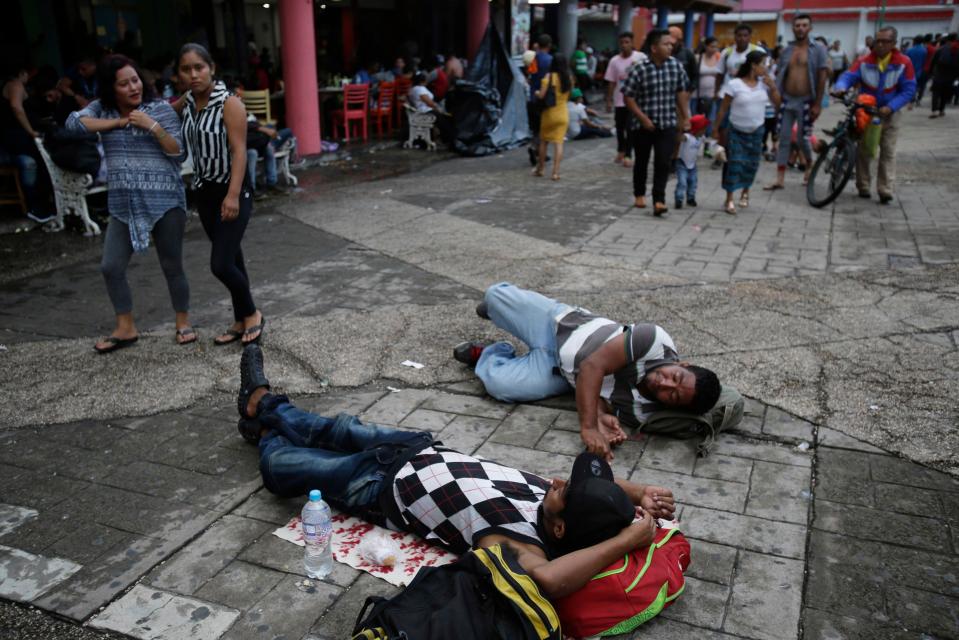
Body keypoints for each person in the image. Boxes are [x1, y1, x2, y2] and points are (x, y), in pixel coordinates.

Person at [236, 343, 675, 595]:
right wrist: (636, 495)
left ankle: (265, 426)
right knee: (338, 427)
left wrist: (626, 542)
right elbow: (588, 494)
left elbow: (550, 582)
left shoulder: (525, 548)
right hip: (416, 448)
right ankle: (265, 406)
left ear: (561, 530)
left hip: (378, 488)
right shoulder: (556, 503)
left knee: (284, 465)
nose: (557, 481)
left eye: (565, 491)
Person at [453, 283, 722, 461]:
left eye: (672, 397)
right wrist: (589, 427)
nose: (665, 385)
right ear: (682, 364)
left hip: (560, 373)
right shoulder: (655, 340)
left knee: (500, 387)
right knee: (495, 295)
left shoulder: (644, 411)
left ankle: (490, 353)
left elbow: (603, 397)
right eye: (674, 377)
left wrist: (603, 418)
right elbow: (594, 366)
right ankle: (498, 311)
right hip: (560, 325)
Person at [65, 54, 193, 353]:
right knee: (110, 266)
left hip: (165, 200)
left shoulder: (160, 109)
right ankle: (126, 327)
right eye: (124, 84)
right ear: (112, 89)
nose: (133, 87)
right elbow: (74, 124)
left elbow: (179, 153)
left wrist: (151, 126)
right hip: (124, 203)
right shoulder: (103, 110)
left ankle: (183, 321)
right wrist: (118, 122)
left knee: (172, 264)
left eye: (135, 80)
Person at [176, 43, 265, 345]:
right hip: (205, 193)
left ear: (211, 68)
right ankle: (241, 319)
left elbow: (240, 151)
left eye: (199, 67)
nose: (193, 74)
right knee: (233, 258)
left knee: (220, 264)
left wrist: (232, 196)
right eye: (186, 69)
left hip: (233, 190)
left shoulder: (229, 103)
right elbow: (162, 114)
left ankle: (252, 313)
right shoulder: (188, 101)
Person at [833, 25, 916, 204]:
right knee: (865, 150)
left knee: (888, 151)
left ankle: (885, 189)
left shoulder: (903, 63)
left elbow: (909, 90)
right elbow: (849, 75)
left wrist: (892, 106)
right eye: (877, 41)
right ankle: (863, 185)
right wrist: (840, 87)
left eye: (885, 41)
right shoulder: (864, 61)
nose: (880, 45)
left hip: (890, 114)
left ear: (894, 43)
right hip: (867, 112)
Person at [622, 29, 691, 216]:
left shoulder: (676, 66)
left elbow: (681, 93)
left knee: (663, 161)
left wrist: (686, 117)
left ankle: (659, 200)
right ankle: (639, 193)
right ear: (654, 48)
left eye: (671, 44)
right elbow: (628, 96)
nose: (670, 47)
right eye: (666, 44)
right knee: (642, 161)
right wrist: (642, 118)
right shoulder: (639, 68)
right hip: (642, 125)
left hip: (667, 122)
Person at [765, 14, 830, 190]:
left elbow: (822, 77)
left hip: (806, 101)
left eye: (804, 25)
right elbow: (780, 75)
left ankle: (810, 165)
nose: (800, 28)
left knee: (803, 139)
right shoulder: (787, 50)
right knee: (783, 138)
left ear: (810, 28)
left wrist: (818, 103)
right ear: (793, 28)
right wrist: (775, 96)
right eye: (797, 25)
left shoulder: (818, 49)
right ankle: (779, 178)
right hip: (787, 100)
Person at [715, 50, 781, 215]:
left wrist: (773, 88)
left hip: (757, 130)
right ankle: (729, 198)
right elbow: (723, 109)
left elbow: (778, 104)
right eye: (763, 64)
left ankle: (745, 192)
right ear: (753, 65)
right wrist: (715, 129)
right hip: (736, 130)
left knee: (751, 164)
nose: (766, 68)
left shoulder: (765, 84)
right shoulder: (735, 84)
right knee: (734, 164)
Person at [1, 64, 54, 224]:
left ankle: (42, 204)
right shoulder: (15, 85)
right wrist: (31, 131)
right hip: (17, 136)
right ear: (22, 73)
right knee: (40, 161)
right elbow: (16, 107)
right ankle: (36, 206)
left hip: (14, 136)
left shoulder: (8, 85)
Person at [604, 31, 647, 168]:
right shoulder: (614, 61)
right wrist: (609, 100)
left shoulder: (641, 57)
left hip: (635, 100)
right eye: (622, 43)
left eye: (627, 42)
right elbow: (611, 82)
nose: (624, 45)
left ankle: (628, 154)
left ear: (632, 43)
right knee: (619, 127)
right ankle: (621, 149)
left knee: (630, 128)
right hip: (619, 100)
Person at [532, 54, 572, 180]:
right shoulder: (569, 78)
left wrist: (537, 92)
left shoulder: (549, 77)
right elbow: (568, 96)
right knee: (559, 143)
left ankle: (541, 169)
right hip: (563, 114)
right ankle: (555, 172)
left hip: (549, 114)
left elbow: (542, 95)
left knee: (544, 142)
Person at [245, 113, 294, 199]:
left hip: (256, 142)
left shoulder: (247, 113)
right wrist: (262, 128)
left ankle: (272, 184)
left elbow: (254, 125)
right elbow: (244, 126)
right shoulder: (232, 109)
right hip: (245, 145)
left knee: (268, 149)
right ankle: (251, 188)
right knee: (252, 153)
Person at [408, 71, 455, 146]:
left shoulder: (414, 89)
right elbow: (429, 102)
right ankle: (449, 139)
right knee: (445, 121)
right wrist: (438, 109)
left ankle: (445, 139)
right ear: (422, 80)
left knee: (445, 118)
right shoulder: (419, 89)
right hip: (426, 111)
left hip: (424, 110)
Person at [527, 34, 553, 166]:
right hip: (544, 97)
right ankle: (541, 152)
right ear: (549, 45)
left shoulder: (533, 59)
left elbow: (530, 77)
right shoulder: (550, 60)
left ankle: (534, 147)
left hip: (532, 96)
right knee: (545, 126)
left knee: (536, 127)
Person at [673, 113, 708, 209]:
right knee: (682, 182)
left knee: (693, 181)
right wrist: (680, 129)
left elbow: (709, 144)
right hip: (682, 163)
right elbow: (679, 138)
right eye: (703, 128)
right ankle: (679, 199)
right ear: (698, 128)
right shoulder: (687, 137)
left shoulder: (702, 138)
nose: (705, 130)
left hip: (692, 164)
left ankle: (690, 198)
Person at [693, 37, 722, 139]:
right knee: (696, 122)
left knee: (711, 121)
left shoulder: (719, 58)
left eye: (716, 47)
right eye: (711, 46)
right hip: (697, 95)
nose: (714, 49)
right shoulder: (697, 58)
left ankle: (707, 145)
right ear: (706, 46)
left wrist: (717, 91)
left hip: (713, 95)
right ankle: (695, 143)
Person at [929, 33, 959, 118]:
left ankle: (934, 111)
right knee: (944, 94)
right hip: (951, 77)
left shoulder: (941, 49)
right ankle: (941, 110)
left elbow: (933, 62)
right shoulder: (957, 50)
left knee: (936, 93)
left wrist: (931, 73)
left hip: (939, 75)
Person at [668, 26, 698, 101]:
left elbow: (695, 75)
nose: (670, 46)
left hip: (683, 94)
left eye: (673, 43)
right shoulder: (664, 53)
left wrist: (689, 92)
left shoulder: (687, 54)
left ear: (679, 40)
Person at [906, 36, 928, 107]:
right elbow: (925, 61)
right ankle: (918, 99)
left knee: (910, 85)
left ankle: (911, 99)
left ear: (914, 41)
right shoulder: (924, 50)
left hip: (910, 71)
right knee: (921, 86)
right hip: (920, 71)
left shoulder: (909, 50)